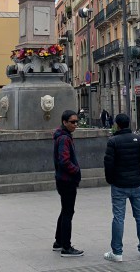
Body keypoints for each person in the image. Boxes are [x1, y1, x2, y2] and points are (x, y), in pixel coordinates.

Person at [103, 113, 140, 262]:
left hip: (119, 185)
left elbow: (108, 164)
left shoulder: (113, 141)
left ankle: (117, 252)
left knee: (118, 218)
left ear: (117, 124)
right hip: (136, 184)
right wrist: (139, 177)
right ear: (128, 123)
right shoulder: (138, 140)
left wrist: (111, 180)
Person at [52, 110, 84, 258]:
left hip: (63, 179)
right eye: (72, 122)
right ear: (64, 122)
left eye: (76, 121)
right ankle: (66, 247)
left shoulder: (63, 136)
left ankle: (59, 241)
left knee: (65, 210)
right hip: (67, 180)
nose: (75, 124)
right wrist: (76, 170)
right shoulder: (64, 138)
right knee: (68, 213)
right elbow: (64, 160)